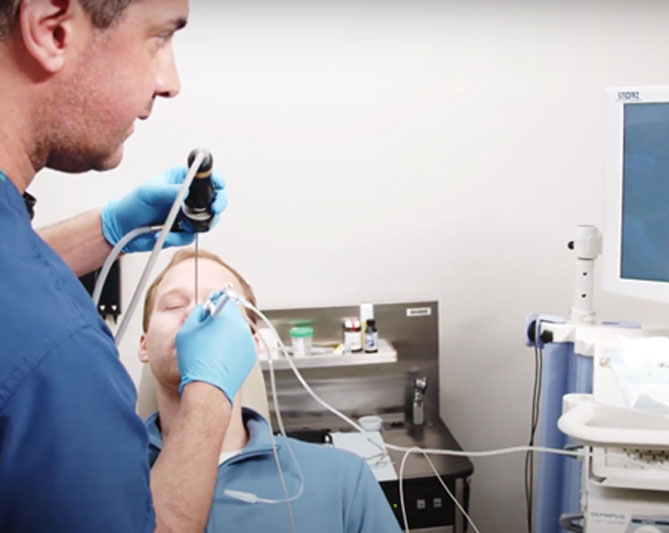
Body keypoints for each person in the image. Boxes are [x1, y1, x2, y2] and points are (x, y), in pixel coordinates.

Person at [0, 1, 256, 531]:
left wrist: (111, 229)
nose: (171, 82)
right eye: (160, 38)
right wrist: (209, 397)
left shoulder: (338, 479)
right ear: (52, 29)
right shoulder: (62, 356)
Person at [139, 248, 402, 533]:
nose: (196, 315)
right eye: (174, 305)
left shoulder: (344, 479)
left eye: (220, 302)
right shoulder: (99, 483)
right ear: (144, 346)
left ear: (251, 346)